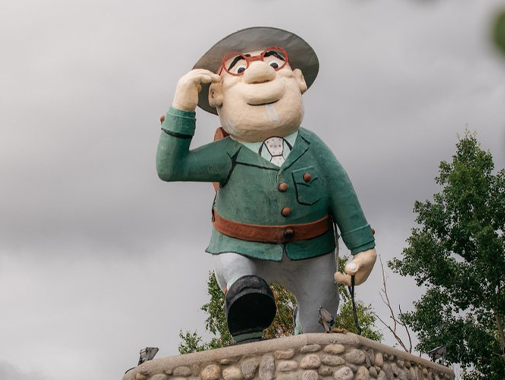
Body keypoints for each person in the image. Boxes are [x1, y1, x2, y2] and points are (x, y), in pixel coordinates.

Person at [157, 27, 377, 342]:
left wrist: (363, 249)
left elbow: (341, 193)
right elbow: (170, 167)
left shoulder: (311, 147)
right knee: (242, 284)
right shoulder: (227, 153)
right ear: (217, 94)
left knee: (319, 322)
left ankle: (306, 350)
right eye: (239, 68)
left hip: (311, 250)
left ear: (298, 80)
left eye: (275, 64)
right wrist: (181, 108)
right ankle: (247, 329)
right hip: (242, 246)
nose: (259, 72)